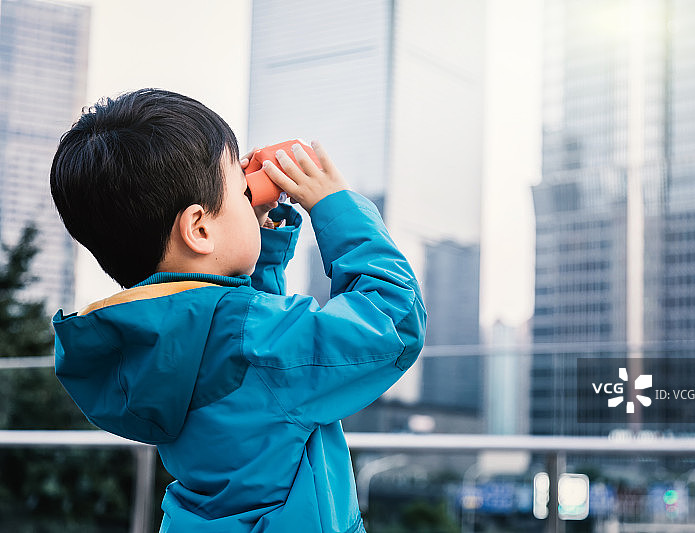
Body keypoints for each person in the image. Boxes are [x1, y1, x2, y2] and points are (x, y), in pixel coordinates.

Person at [49, 88, 426, 532]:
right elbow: (394, 321)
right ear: (199, 228)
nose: (251, 198)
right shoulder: (254, 340)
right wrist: (336, 205)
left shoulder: (154, 340)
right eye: (240, 189)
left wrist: (259, 243)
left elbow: (247, 337)